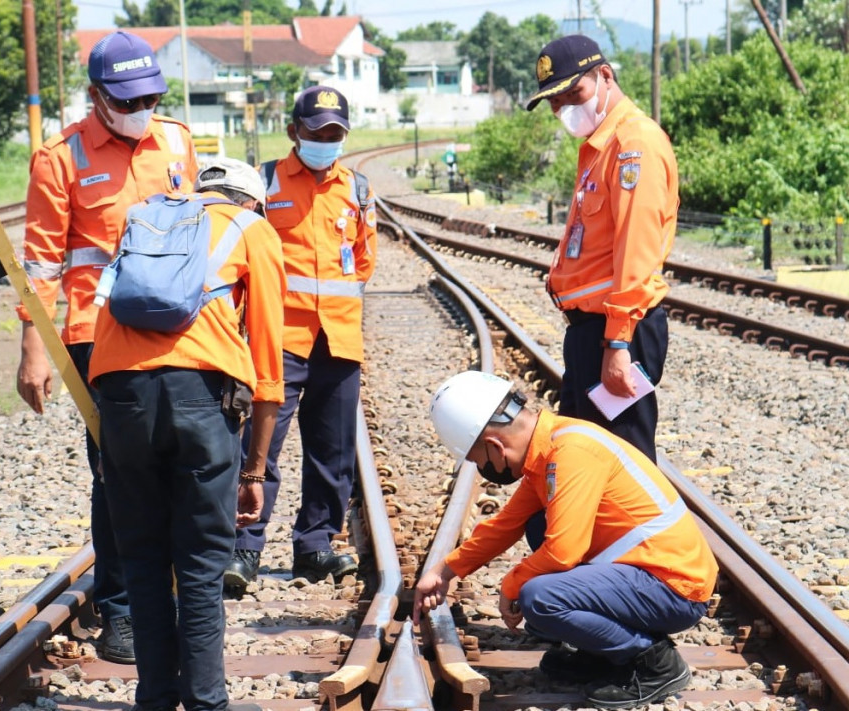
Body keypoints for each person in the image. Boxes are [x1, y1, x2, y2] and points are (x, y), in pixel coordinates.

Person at [16, 30, 198, 664]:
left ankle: (176, 597)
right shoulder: (59, 158)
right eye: (128, 97)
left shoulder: (175, 138)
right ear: (97, 96)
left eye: (150, 95)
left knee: (182, 465)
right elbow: (40, 260)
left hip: (180, 330)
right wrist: (34, 348)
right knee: (120, 474)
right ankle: (122, 610)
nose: (140, 106)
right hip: (99, 337)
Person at [88, 158, 284, 711]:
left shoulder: (147, 219)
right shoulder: (253, 229)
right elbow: (270, 368)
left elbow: (105, 322)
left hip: (121, 396)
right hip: (200, 399)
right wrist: (254, 471)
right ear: (251, 201)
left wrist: (109, 436)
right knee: (199, 565)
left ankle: (155, 698)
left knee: (144, 558)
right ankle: (205, 701)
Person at [414, 371, 718, 709]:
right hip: (650, 572)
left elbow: (563, 552)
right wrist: (444, 571)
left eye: (477, 460)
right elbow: (505, 525)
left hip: (674, 586)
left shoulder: (571, 451)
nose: (482, 468)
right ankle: (604, 655)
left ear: (495, 446)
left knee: (540, 598)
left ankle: (654, 663)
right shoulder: (548, 448)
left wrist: (511, 584)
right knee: (535, 528)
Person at [224, 85, 377, 588]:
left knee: (332, 451)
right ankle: (243, 549)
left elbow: (365, 260)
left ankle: (315, 546)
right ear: (294, 132)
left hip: (338, 339)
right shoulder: (265, 182)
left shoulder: (357, 189)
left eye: (335, 134)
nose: (326, 141)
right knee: (259, 445)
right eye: (317, 133)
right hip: (278, 337)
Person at [525, 34, 679, 462]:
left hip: (617, 331)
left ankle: (645, 533)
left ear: (605, 76)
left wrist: (617, 344)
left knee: (617, 468)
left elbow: (637, 252)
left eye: (573, 93)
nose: (563, 110)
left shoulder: (634, 146)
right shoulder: (599, 147)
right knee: (581, 463)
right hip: (592, 332)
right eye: (554, 102)